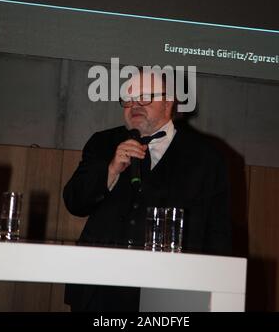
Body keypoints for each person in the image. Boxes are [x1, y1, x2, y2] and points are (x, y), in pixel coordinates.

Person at [63, 69, 232, 311]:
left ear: (169, 101)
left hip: (171, 291)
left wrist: (215, 293)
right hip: (99, 289)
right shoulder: (102, 143)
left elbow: (218, 233)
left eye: (145, 97)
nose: (135, 105)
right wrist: (111, 170)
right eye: (129, 100)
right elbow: (74, 202)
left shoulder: (206, 156)